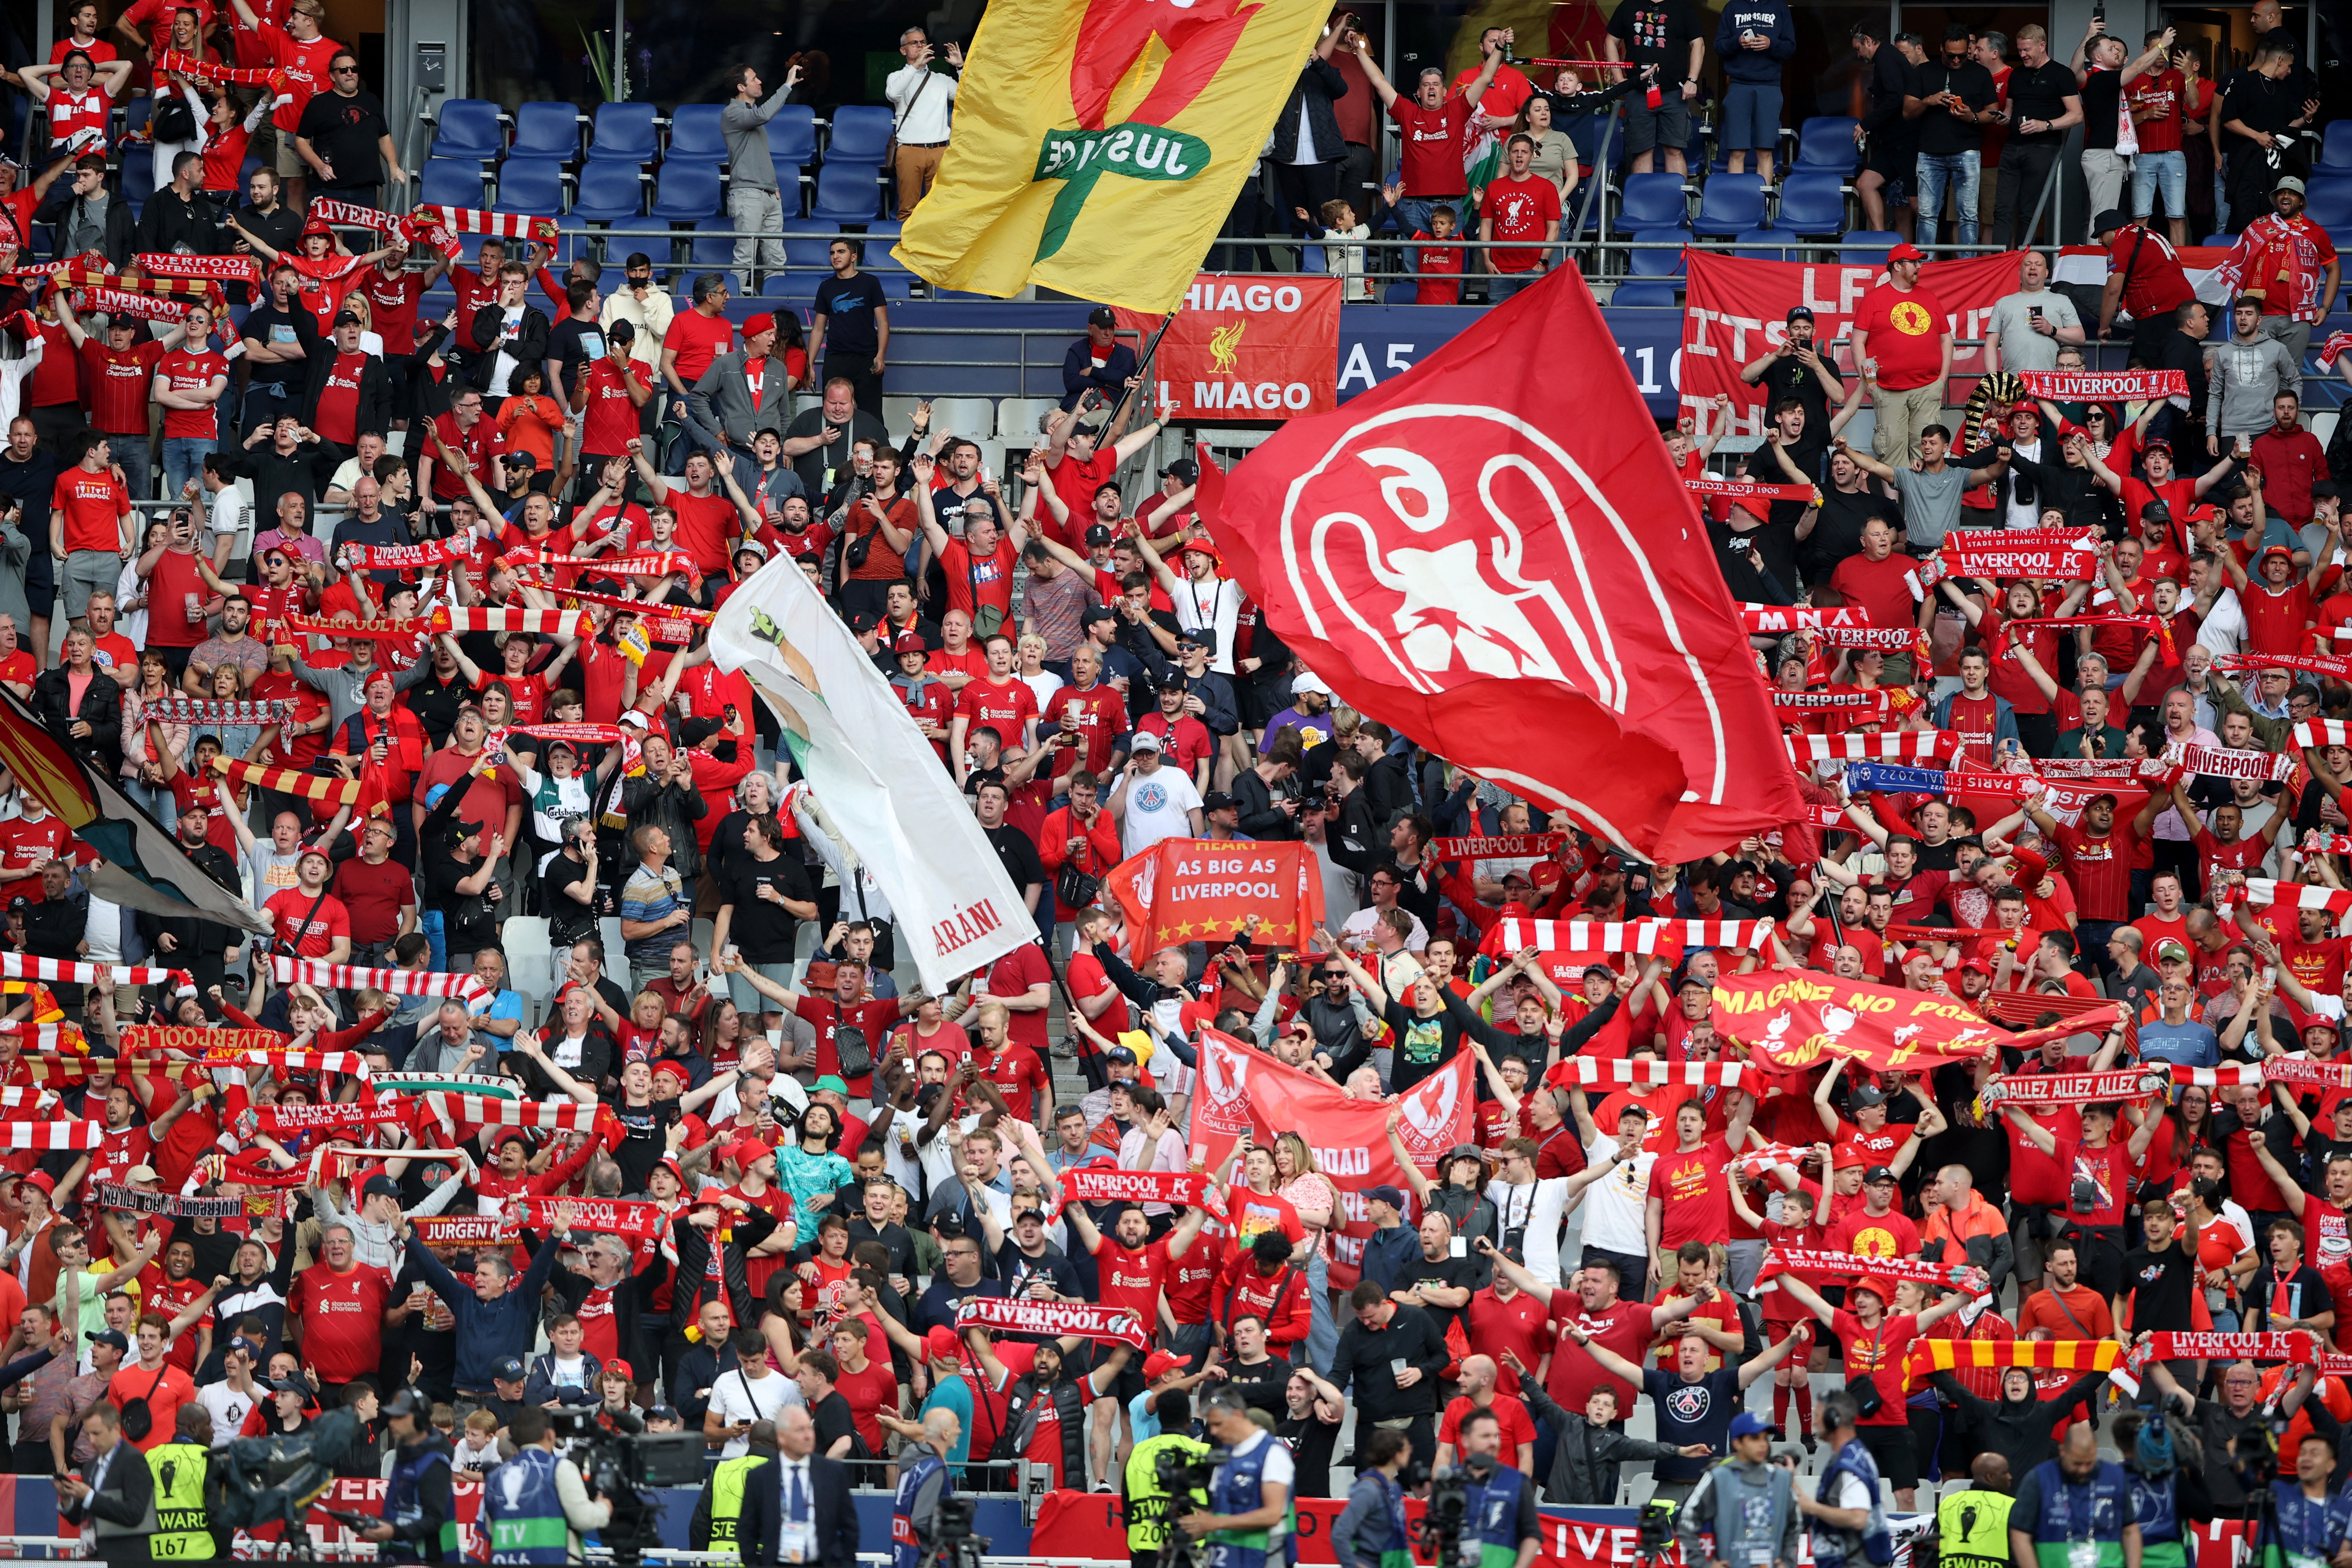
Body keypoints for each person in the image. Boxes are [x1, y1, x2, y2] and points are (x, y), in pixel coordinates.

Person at [1851, 242, 1954, 466]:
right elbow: (1858, 342)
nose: (1919, 267)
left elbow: (1946, 339)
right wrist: (1870, 381)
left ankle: (1921, 501)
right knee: (1891, 453)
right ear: (1897, 266)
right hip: (1888, 390)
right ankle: (1892, 503)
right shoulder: (1874, 299)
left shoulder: (1929, 297)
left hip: (1927, 388)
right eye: (1914, 262)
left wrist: (1942, 378)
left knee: (1928, 452)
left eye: (1920, 262)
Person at [1175, 1387, 1294, 1568]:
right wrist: (1197, 1528)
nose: (1213, 1432)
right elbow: (1224, 1511)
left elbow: (1272, 1515)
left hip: (1261, 1559)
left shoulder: (1272, 1453)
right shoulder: (1226, 1455)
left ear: (1238, 1415)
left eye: (1218, 1424)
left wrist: (1214, 1523)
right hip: (1226, 1558)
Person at [1991, 25, 2083, 248]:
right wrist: (2004, 118)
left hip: (2042, 148)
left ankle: (2024, 261)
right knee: (2002, 210)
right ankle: (1999, 264)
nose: (2022, 55)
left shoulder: (2061, 74)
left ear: (2042, 46)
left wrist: (2046, 125)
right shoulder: (2018, 74)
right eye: (2020, 50)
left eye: (2027, 50)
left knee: (2028, 210)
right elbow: (2010, 110)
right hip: (2013, 146)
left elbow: (2077, 115)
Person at [481, 1404, 610, 1563]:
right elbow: (583, 1519)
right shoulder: (561, 1467)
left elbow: (489, 1530)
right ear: (550, 1434)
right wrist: (604, 1508)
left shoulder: (495, 1475)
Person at [738, 1404, 858, 1568]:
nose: (809, 1436)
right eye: (800, 1430)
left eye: (810, 1429)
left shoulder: (832, 1473)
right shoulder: (760, 1477)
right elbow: (747, 1531)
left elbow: (849, 1526)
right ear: (781, 1437)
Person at [1675, 1411, 1798, 1568]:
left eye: (1765, 1438)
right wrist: (1703, 1564)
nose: (1763, 1445)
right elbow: (1685, 1521)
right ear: (1737, 1443)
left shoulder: (1781, 1478)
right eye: (1755, 1439)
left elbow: (1796, 1524)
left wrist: (1788, 1561)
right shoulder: (1719, 1477)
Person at [2009, 1429, 2139, 1568]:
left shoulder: (2115, 1477)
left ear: (2096, 1449)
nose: (2083, 1469)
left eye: (2089, 1463)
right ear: (2063, 1451)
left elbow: (2131, 1531)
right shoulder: (2039, 1479)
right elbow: (2020, 1535)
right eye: (2077, 1463)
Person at [720, 62, 802, 283]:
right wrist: (787, 85)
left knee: (776, 258)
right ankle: (732, 306)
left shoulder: (750, 113)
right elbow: (765, 115)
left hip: (768, 194)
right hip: (748, 194)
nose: (759, 82)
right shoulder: (733, 113)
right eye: (754, 79)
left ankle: (779, 310)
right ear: (741, 87)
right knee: (746, 256)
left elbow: (758, 157)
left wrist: (773, 187)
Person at [58, 1403, 156, 1565]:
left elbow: (135, 1513)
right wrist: (67, 1499)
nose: (92, 1440)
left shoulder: (133, 1460)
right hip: (96, 1556)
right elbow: (83, 1516)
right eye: (88, 1434)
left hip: (128, 1558)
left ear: (116, 1428)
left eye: (97, 1433)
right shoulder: (90, 1466)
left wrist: (90, 1496)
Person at [1125, 1390, 1209, 1568]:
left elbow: (1126, 1499)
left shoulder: (1138, 1451)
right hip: (1193, 1547)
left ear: (1160, 1418)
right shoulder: (1204, 1452)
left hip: (1144, 1545)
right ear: (1188, 1419)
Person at [883, 27, 959, 220]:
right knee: (907, 210)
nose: (920, 46)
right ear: (903, 51)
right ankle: (905, 251)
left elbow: (969, 96)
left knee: (939, 211)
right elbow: (893, 94)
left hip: (939, 150)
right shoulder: (896, 77)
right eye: (914, 43)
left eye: (923, 42)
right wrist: (915, 67)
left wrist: (961, 68)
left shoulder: (941, 80)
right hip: (910, 150)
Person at [1715, 0, 1794, 181]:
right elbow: (1719, 46)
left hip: (1769, 86)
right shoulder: (1732, 7)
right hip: (1738, 85)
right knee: (1736, 151)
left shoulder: (1779, 7)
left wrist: (1770, 44)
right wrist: (1738, 42)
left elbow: (1790, 47)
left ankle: (1762, 205)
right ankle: (1736, 203)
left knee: (1765, 151)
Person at [887, 1408, 959, 1568]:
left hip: (905, 1556)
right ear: (945, 1433)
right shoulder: (933, 1468)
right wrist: (954, 1535)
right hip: (924, 1559)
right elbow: (921, 1520)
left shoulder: (914, 1464)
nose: (960, 1431)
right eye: (957, 1426)